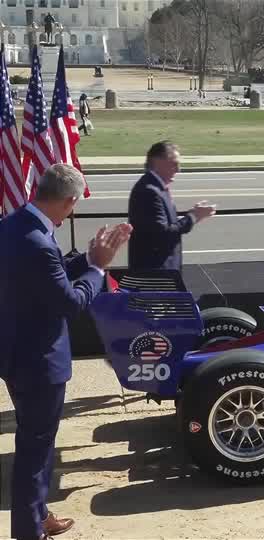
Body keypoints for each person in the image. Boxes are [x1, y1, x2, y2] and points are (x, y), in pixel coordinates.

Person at [0, 164, 132, 540]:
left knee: (37, 442)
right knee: (34, 448)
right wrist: (97, 268)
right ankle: (29, 529)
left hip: (15, 354)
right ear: (69, 201)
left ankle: (38, 513)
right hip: (38, 362)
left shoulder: (15, 225)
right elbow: (70, 303)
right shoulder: (39, 241)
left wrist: (84, 260)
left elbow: (46, 275)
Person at [127, 141, 216, 271]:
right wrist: (193, 217)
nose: (179, 169)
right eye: (174, 164)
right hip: (155, 274)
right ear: (158, 162)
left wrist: (193, 214)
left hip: (162, 271)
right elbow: (163, 233)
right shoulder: (149, 191)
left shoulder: (157, 188)